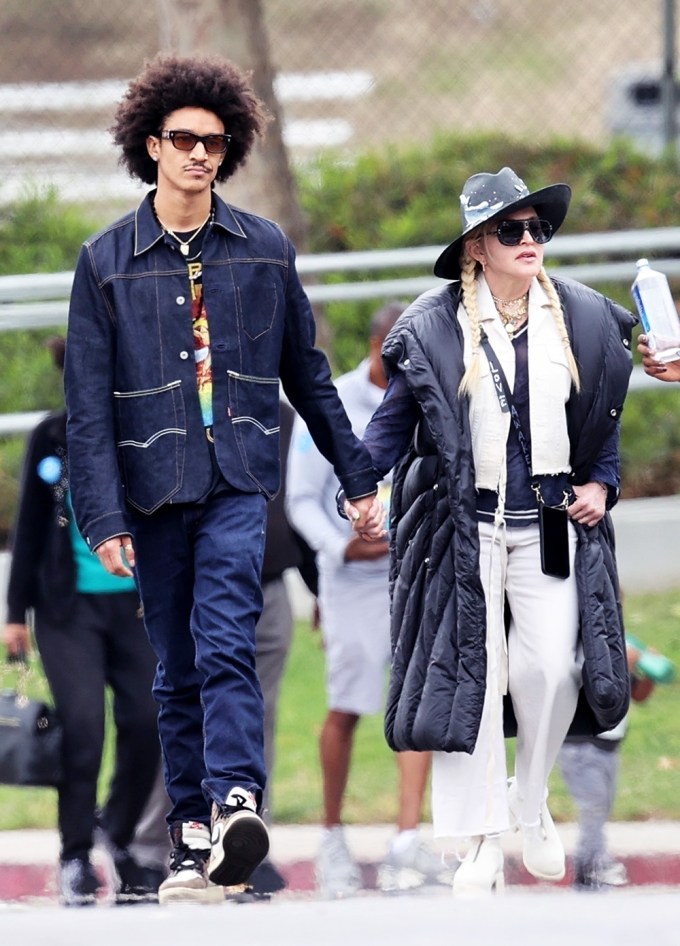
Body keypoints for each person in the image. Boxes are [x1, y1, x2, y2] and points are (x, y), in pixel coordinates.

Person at [63, 53, 382, 906]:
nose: (202, 154)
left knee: (227, 638)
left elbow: (309, 376)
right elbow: (88, 409)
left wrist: (357, 478)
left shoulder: (265, 250)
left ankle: (239, 801)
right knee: (175, 668)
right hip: (152, 488)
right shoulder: (105, 263)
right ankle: (190, 836)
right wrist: (101, 517)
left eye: (216, 140)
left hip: (240, 477)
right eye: (184, 139)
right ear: (151, 144)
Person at [347, 167, 636, 896]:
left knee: (551, 669)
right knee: (468, 680)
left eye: (539, 228)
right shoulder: (433, 326)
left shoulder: (584, 319)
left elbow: (600, 414)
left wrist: (602, 482)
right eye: (514, 230)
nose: (532, 239)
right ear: (478, 245)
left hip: (547, 522)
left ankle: (528, 798)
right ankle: (476, 839)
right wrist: (361, 488)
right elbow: (392, 427)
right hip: (462, 530)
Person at [287, 301, 448, 898]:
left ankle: (407, 841)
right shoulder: (330, 406)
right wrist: (340, 548)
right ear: (381, 345)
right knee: (348, 705)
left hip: (416, 571)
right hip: (354, 583)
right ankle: (332, 838)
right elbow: (301, 499)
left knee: (416, 704)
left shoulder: (434, 391)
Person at [3, 336, 163, 907]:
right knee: (84, 728)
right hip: (67, 609)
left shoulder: (146, 427)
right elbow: (29, 529)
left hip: (138, 603)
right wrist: (13, 614)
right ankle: (74, 856)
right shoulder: (53, 434)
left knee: (148, 720)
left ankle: (117, 837)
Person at [248, 399, 319, 897]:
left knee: (261, 718)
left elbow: (299, 504)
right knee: (191, 712)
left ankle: (251, 848)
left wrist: (320, 590)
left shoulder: (286, 419)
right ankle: (168, 839)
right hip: (204, 592)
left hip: (270, 588)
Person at [559, 637, 662, 890]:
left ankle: (593, 863)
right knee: (593, 806)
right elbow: (592, 687)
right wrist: (623, 665)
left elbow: (638, 695)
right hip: (580, 744)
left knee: (602, 807)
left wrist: (650, 672)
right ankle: (589, 866)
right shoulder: (578, 644)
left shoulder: (620, 643)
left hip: (608, 748)